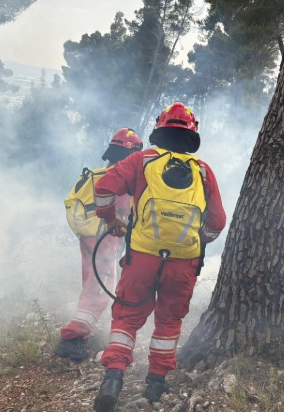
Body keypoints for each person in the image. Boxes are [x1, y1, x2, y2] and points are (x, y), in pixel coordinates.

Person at [91, 102, 227, 411]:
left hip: (141, 257)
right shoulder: (203, 171)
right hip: (183, 262)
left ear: (160, 131)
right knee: (168, 321)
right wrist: (196, 242)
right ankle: (154, 387)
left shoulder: (141, 160)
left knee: (126, 317)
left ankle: (113, 378)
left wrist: (110, 219)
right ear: (192, 135)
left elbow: (103, 188)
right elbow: (218, 222)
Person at [56, 128, 144, 362]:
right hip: (105, 236)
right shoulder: (121, 178)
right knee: (100, 287)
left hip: (88, 236)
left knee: (94, 284)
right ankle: (72, 338)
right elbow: (129, 215)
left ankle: (77, 334)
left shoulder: (95, 174)